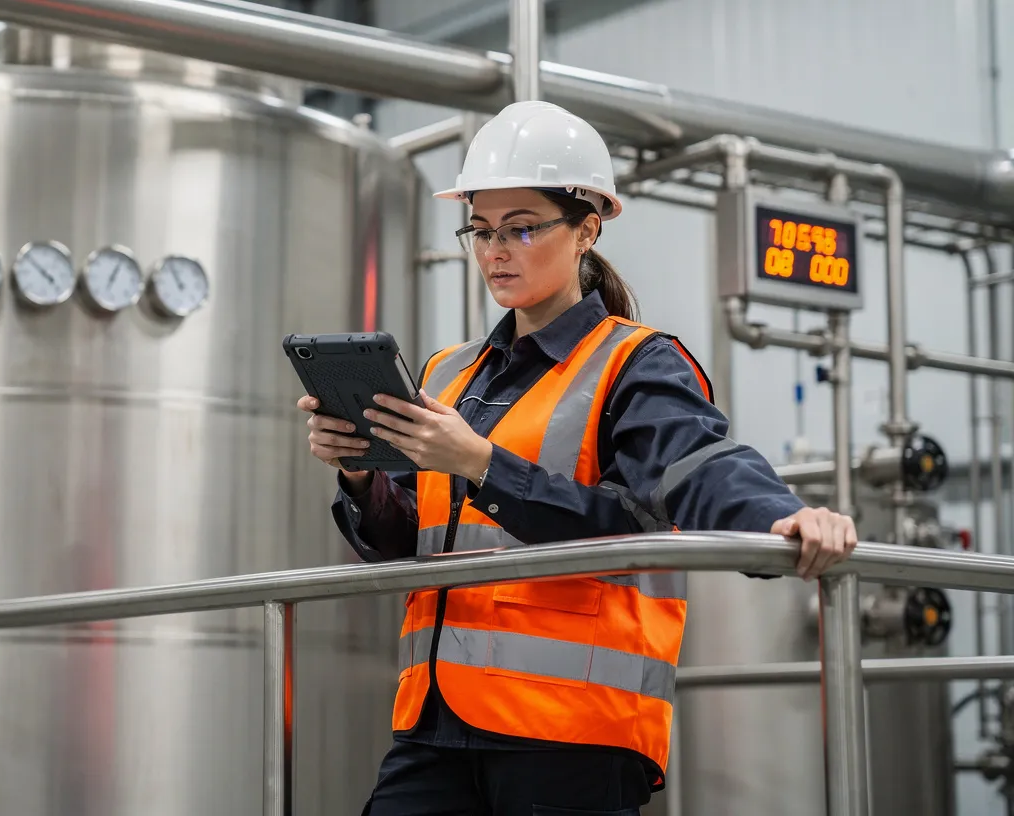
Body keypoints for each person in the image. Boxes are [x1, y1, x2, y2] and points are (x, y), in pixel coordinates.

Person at [296, 101, 859, 816]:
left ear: (587, 228)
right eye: (481, 229)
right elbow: (404, 540)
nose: (495, 250)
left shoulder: (634, 361)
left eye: (522, 227)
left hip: (570, 730)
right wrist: (359, 473)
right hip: (435, 721)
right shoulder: (446, 373)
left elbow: (687, 474)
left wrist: (783, 515)